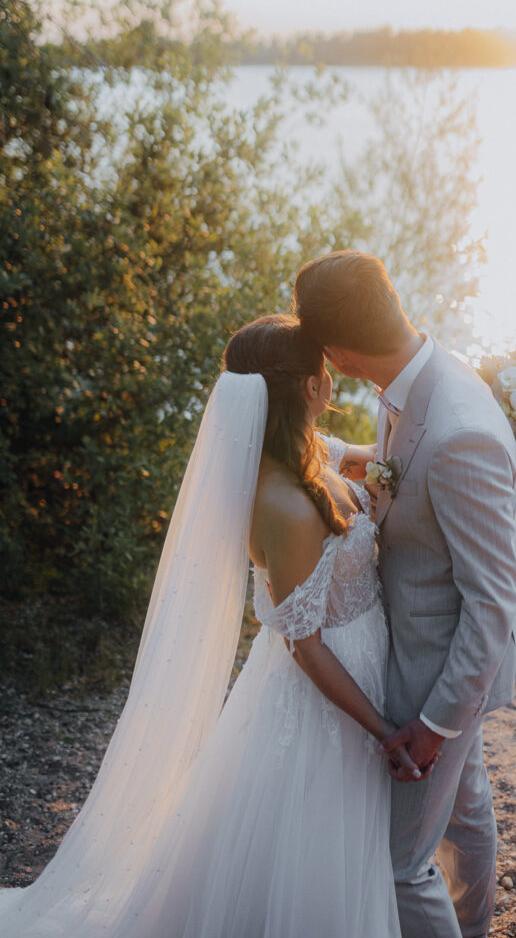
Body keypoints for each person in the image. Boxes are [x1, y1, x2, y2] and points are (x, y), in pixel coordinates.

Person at [0, 314, 419, 937]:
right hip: (328, 698)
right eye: (325, 368)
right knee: (308, 842)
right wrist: (383, 730)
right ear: (308, 386)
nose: (331, 377)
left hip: (350, 664)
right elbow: (305, 647)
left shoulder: (303, 453)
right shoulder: (287, 505)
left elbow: (372, 460)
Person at [295, 251, 516, 938]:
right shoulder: (419, 373)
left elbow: (491, 600)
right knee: (465, 812)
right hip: (431, 645)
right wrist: (329, 449)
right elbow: (401, 470)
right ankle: (474, 925)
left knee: (400, 861)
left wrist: (434, 726)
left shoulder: (460, 430)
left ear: (337, 355)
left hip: (442, 665)